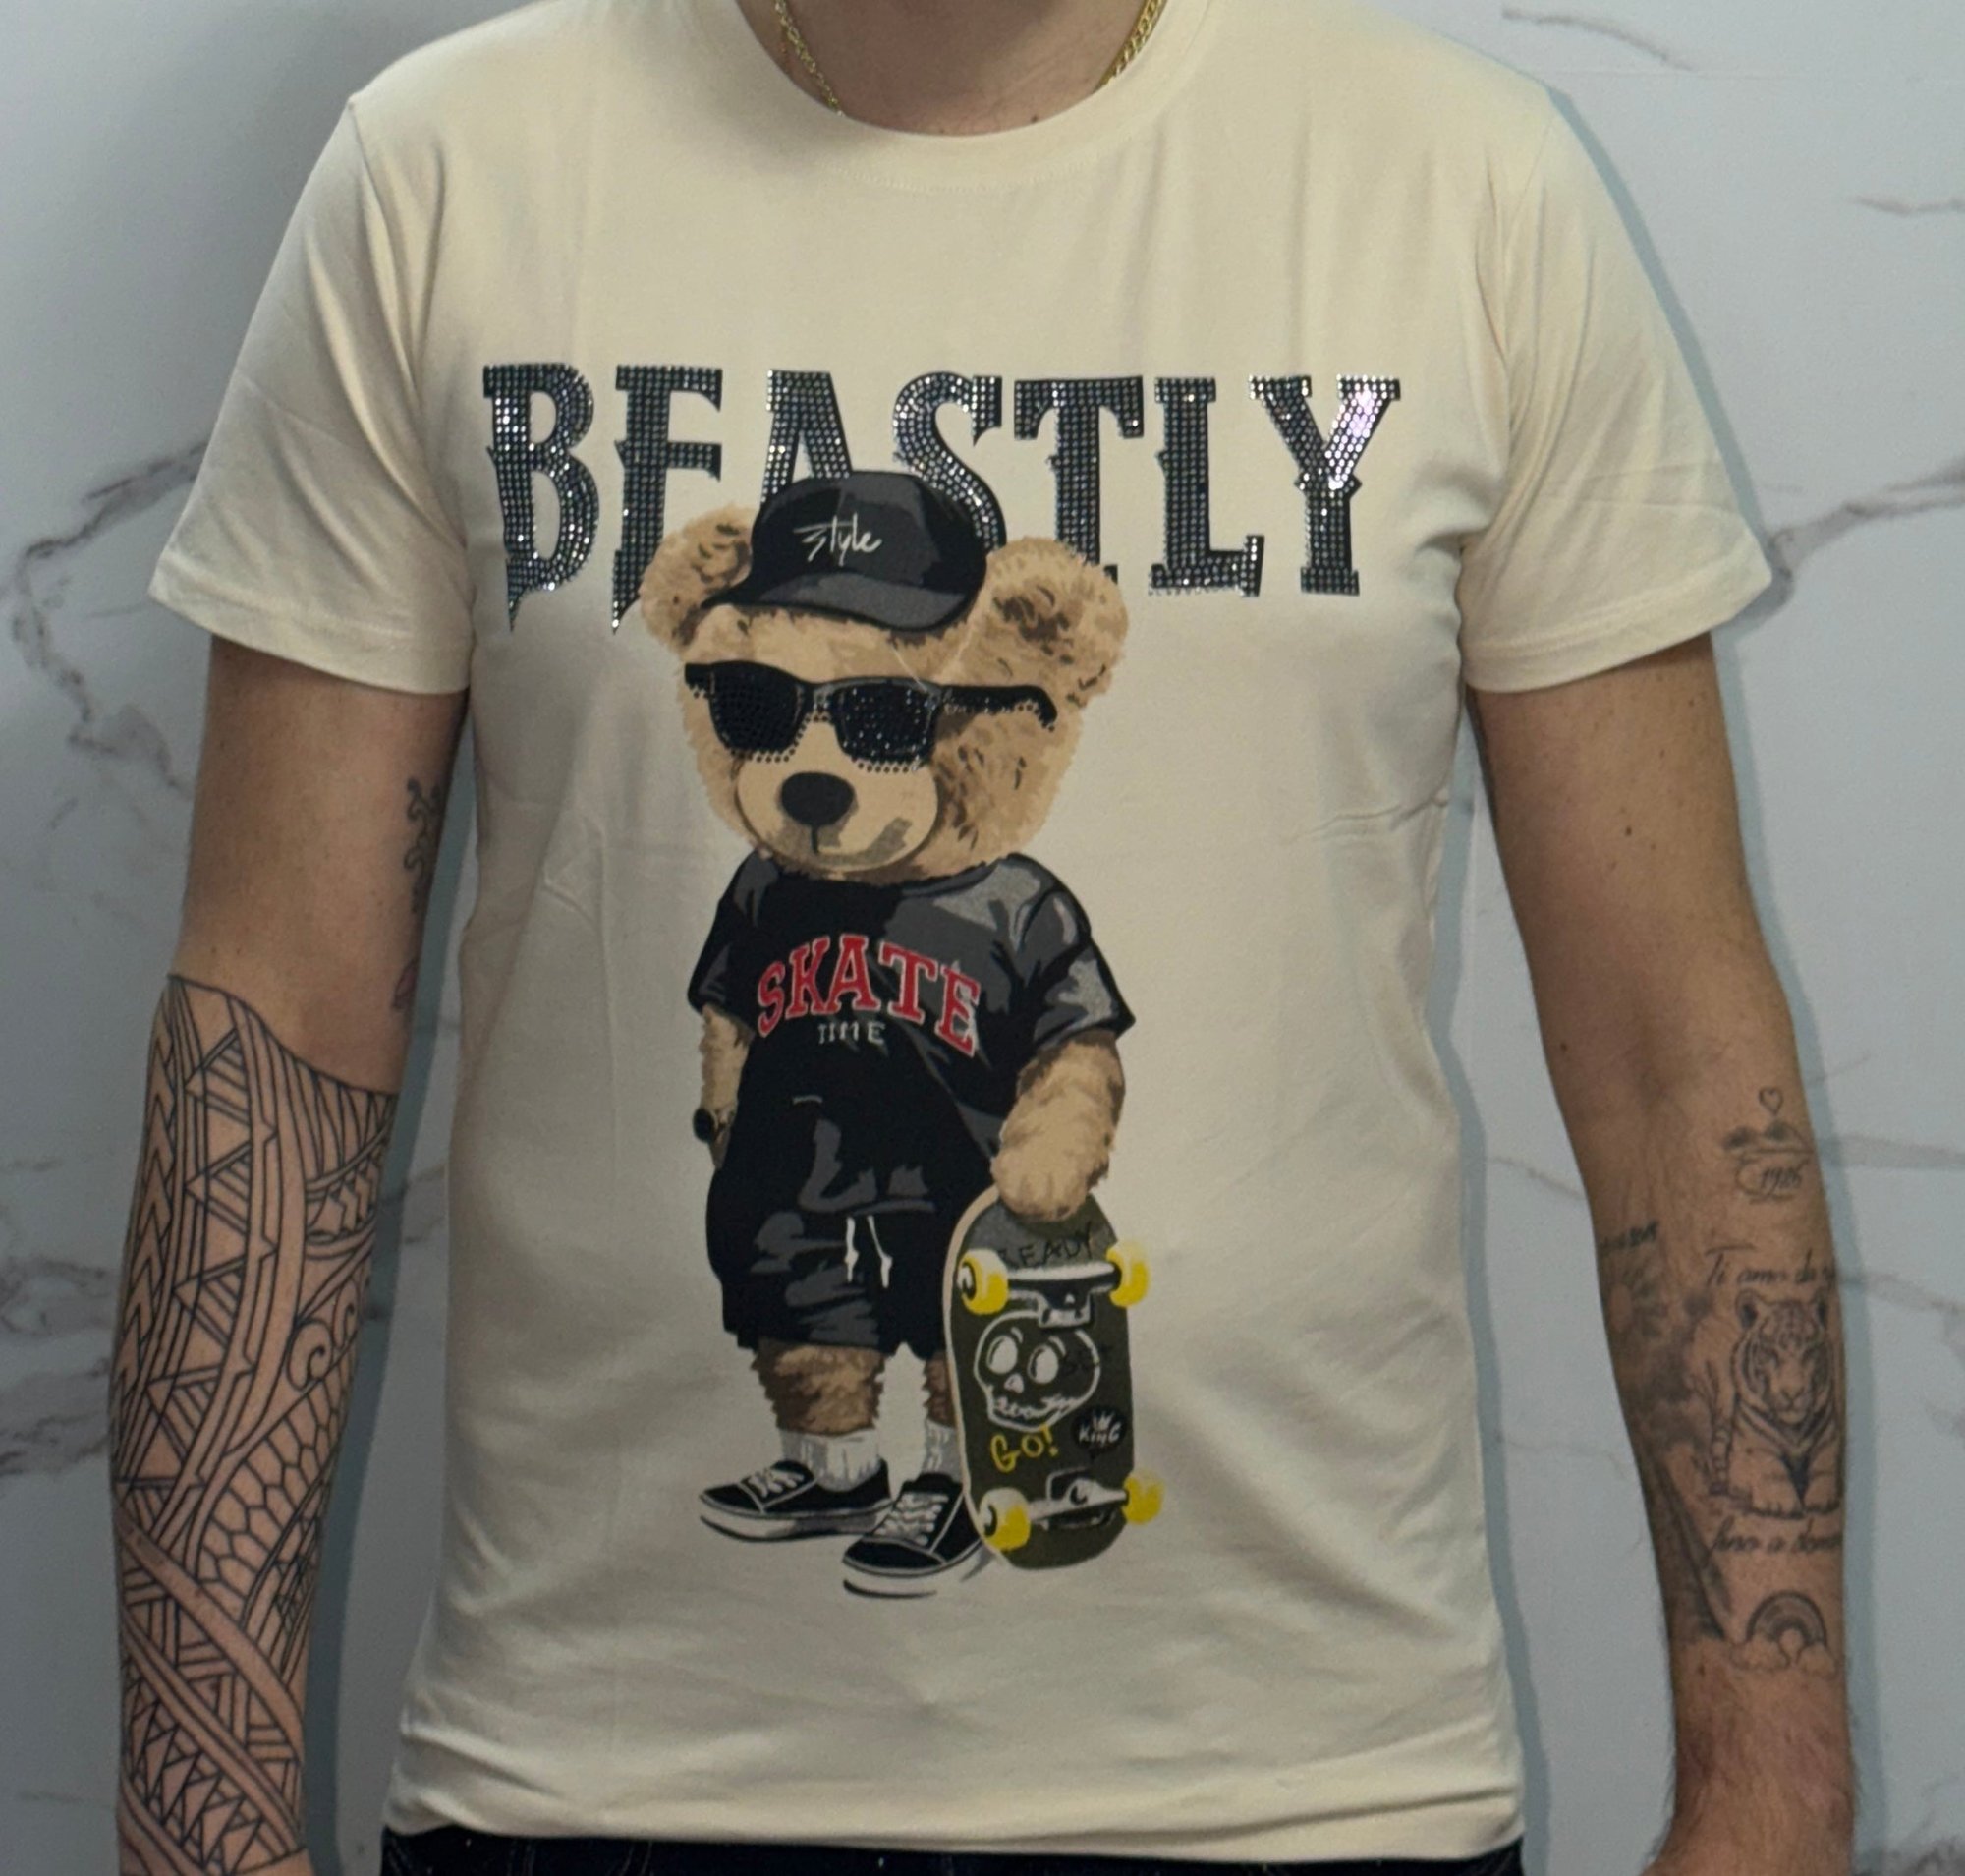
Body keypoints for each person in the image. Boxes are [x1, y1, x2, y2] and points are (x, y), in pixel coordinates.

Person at [108, 0, 1854, 1872]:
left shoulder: (1464, 191)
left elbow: (1672, 1043)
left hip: (1307, 1787)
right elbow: (278, 1031)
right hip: (593, 1781)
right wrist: (200, 1830)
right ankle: (833, 1459)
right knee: (812, 1300)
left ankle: (956, 1474)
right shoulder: (447, 177)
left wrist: (1773, 1798)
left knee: (981, 1320)